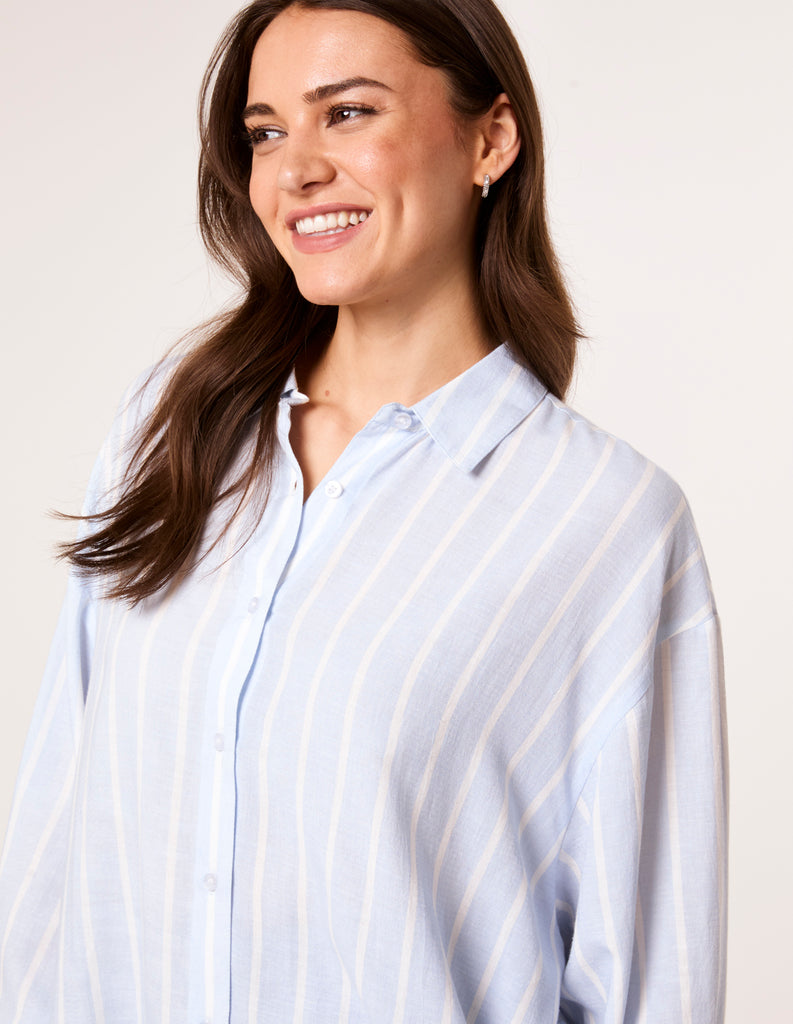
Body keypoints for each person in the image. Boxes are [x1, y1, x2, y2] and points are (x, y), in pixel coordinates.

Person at [0, 0, 727, 1021]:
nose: (294, 170)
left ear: (491, 139)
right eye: (265, 133)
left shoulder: (609, 526)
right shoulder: (170, 429)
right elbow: (56, 852)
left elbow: (650, 984)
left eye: (346, 112)